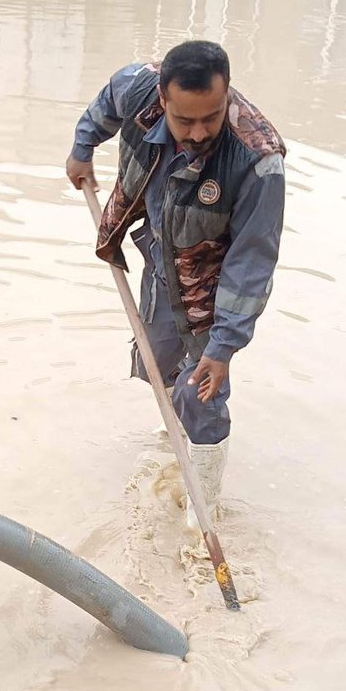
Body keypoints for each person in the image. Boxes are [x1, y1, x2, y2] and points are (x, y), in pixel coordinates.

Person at [66, 40, 285, 541]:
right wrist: (82, 150)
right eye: (185, 121)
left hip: (211, 283)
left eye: (211, 117)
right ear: (162, 97)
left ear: (226, 94)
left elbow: (252, 261)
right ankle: (176, 434)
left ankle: (202, 507)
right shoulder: (137, 85)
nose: (199, 133)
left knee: (202, 385)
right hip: (162, 256)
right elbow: (103, 105)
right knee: (159, 359)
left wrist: (224, 345)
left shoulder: (257, 159)